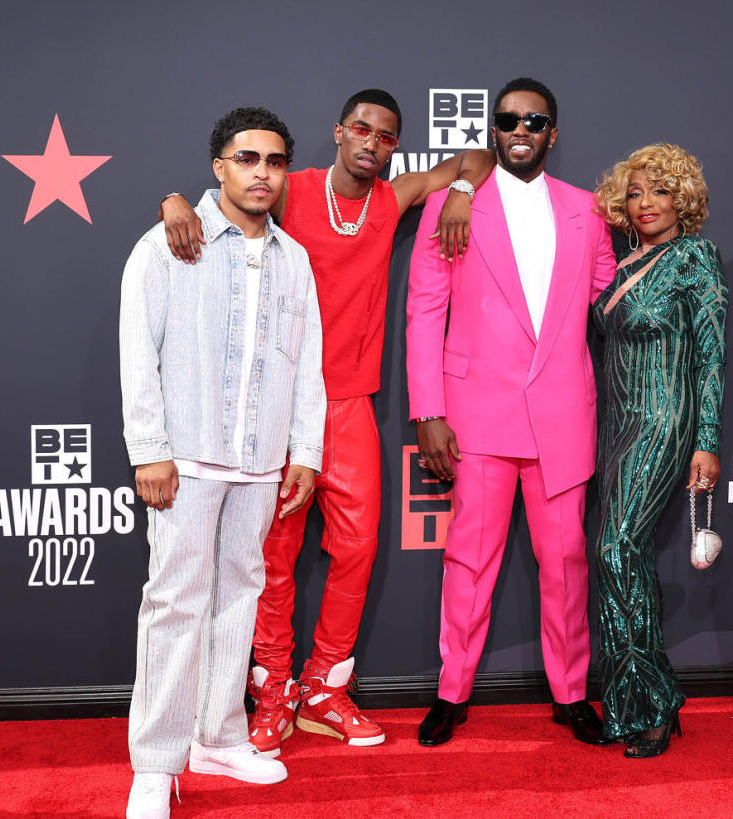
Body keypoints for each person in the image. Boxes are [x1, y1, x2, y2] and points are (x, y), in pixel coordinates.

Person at [161, 90, 492, 752]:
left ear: (394, 147)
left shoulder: (393, 199)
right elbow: (224, 198)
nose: (372, 141)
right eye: (362, 128)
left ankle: (323, 687)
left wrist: (458, 192)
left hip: (351, 406)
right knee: (273, 554)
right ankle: (273, 686)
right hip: (278, 405)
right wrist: (175, 202)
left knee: (358, 549)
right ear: (339, 132)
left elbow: (478, 158)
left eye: (387, 135)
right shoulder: (292, 190)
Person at [119, 107, 325, 819]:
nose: (261, 172)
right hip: (188, 459)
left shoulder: (295, 259)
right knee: (175, 604)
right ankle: (154, 764)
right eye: (247, 158)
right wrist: (149, 450)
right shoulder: (169, 243)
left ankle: (219, 735)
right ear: (219, 166)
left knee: (241, 596)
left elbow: (307, 367)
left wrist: (305, 450)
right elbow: (137, 351)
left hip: (262, 461)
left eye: (273, 160)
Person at [407, 77, 617, 747]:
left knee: (565, 561)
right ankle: (452, 691)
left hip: (561, 414)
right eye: (508, 120)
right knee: (469, 559)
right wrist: (427, 410)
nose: (520, 130)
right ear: (493, 131)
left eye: (535, 120)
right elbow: (423, 312)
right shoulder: (450, 204)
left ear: (552, 132)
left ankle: (571, 693)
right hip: (475, 416)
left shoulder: (588, 211)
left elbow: (609, 298)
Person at [589, 143, 728, 758]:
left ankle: (653, 699)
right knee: (624, 556)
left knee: (617, 548)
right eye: (636, 193)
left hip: (665, 422)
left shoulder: (695, 257)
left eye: (661, 192)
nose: (646, 204)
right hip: (616, 425)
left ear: (684, 201)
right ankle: (635, 702)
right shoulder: (621, 266)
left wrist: (706, 442)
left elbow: (711, 356)